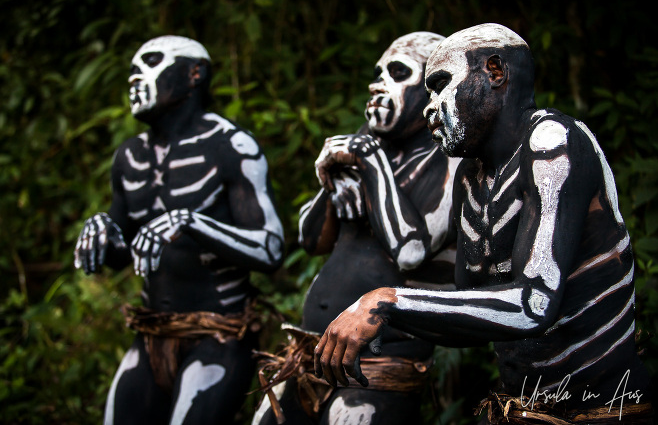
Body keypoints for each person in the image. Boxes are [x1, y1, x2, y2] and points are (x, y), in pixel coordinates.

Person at [313, 23, 654, 424]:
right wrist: (377, 326)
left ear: (495, 71)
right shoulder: (471, 178)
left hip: (602, 409)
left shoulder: (551, 141)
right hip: (522, 409)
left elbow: (533, 304)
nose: (428, 106)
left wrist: (385, 302)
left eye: (441, 84)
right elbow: (475, 317)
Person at [73, 35, 284, 425]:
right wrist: (102, 233)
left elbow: (270, 249)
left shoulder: (230, 146)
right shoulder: (129, 157)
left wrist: (192, 221)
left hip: (218, 337)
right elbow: (127, 251)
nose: (136, 75)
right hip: (150, 333)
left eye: (151, 63)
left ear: (194, 74)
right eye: (132, 68)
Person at [253, 31, 460, 425]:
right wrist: (329, 177)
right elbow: (312, 240)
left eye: (397, 73)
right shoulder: (368, 147)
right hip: (308, 356)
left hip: (381, 364)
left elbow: (412, 250)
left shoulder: (451, 158)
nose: (376, 83)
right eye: (378, 72)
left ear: (433, 88)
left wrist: (373, 165)